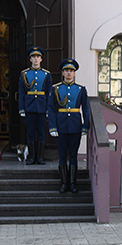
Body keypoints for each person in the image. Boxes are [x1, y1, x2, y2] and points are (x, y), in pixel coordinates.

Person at [47, 59, 89, 193]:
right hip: (60, 126)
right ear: (62, 73)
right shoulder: (55, 88)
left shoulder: (81, 89)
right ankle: (64, 183)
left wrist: (85, 126)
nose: (69, 73)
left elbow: (86, 109)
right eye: (66, 71)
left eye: (71, 71)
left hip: (75, 126)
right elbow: (51, 109)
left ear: (74, 73)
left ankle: (73, 183)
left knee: (73, 156)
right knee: (62, 156)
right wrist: (52, 127)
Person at [18, 46, 52, 165]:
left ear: (41, 59)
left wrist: (48, 109)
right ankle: (31, 157)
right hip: (29, 106)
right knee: (30, 133)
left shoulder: (46, 74)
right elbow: (21, 92)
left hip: (42, 107)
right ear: (30, 59)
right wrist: (21, 108)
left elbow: (49, 93)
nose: (36, 59)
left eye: (38, 57)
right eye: (33, 57)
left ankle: (40, 157)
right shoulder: (24, 74)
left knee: (41, 133)